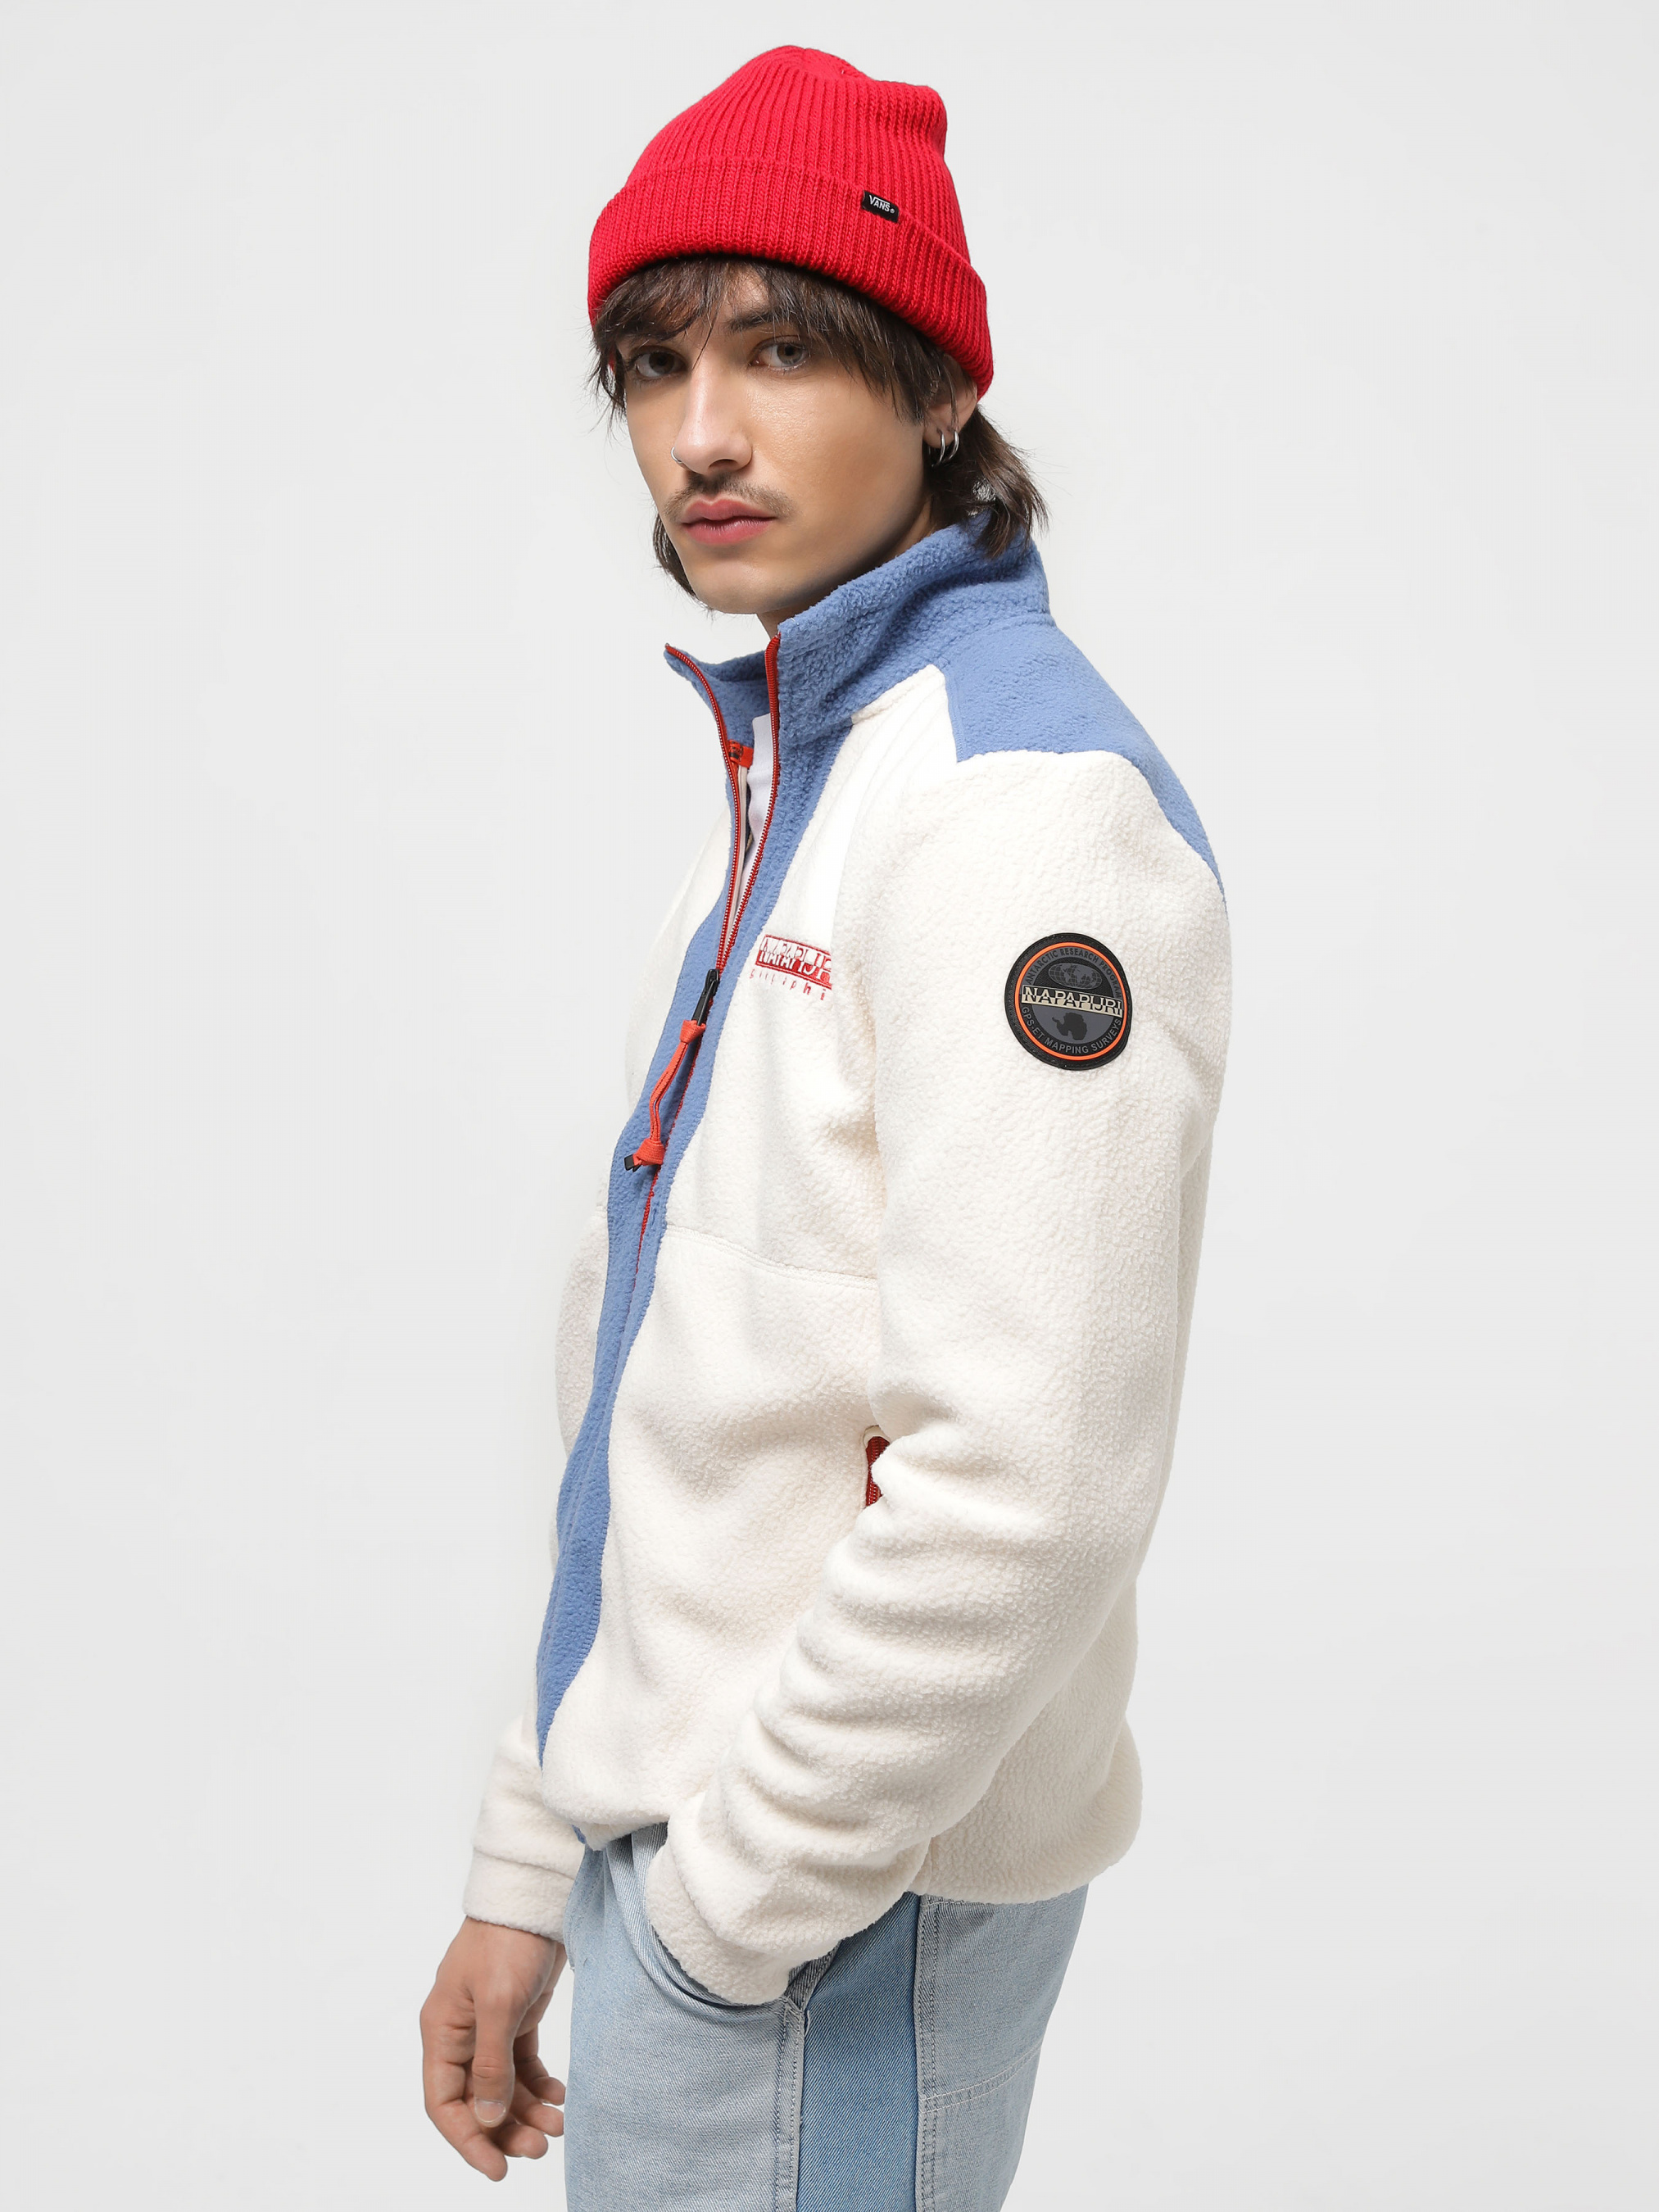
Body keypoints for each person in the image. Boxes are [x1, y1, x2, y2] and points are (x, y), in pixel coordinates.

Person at [419, 45, 1231, 2210]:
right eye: (653, 364)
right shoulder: (813, 791)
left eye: (780, 350)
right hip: (710, 1871)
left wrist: (726, 1916)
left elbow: (1026, 1482)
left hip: (821, 1917)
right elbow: (665, 1410)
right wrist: (539, 1853)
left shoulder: (1010, 813)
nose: (699, 429)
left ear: (940, 387)